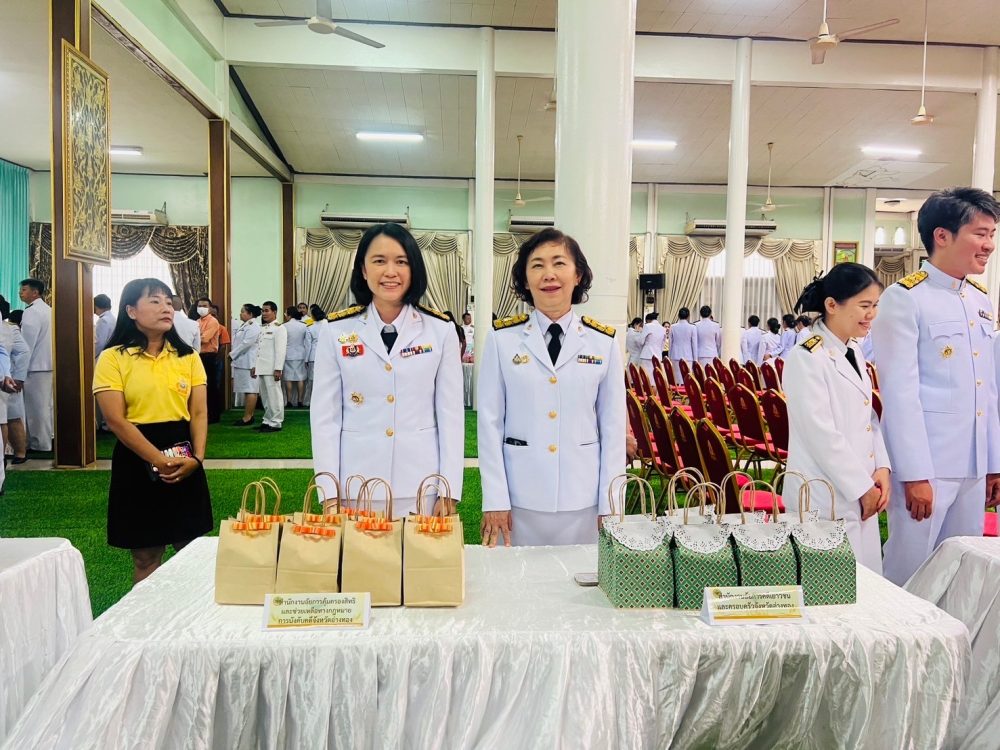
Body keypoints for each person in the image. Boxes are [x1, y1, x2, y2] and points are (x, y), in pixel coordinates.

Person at [872, 187, 1000, 586]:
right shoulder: (905, 298)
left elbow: (988, 390)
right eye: (980, 233)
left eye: (992, 234)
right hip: (929, 466)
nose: (989, 245)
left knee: (962, 575)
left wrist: (993, 464)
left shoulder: (980, 301)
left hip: (973, 464)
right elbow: (900, 394)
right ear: (942, 236)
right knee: (910, 572)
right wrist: (914, 474)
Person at [478, 227, 625, 546]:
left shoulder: (603, 343)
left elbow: (613, 429)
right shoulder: (502, 340)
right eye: (537, 265)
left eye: (559, 263)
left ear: (577, 275)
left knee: (585, 576)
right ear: (525, 280)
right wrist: (495, 499)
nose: (549, 274)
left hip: (583, 498)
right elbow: (489, 424)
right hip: (519, 497)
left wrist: (611, 504)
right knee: (516, 576)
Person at [311, 222, 464, 518]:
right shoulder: (335, 331)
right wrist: (328, 493)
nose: (390, 272)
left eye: (401, 262)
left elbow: (451, 417)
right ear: (363, 269)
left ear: (414, 269)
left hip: (421, 484)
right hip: (355, 485)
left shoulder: (440, 330)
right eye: (379, 261)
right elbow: (325, 418)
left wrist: (449, 489)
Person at [93, 277, 212, 585]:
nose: (166, 308)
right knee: (146, 555)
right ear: (131, 311)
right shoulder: (112, 358)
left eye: (168, 302)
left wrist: (197, 459)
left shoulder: (188, 356)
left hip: (184, 454)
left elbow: (199, 413)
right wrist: (158, 459)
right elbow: (116, 420)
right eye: (155, 301)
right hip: (136, 455)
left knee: (191, 549)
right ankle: (146, 615)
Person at [782, 264, 891, 573]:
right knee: (829, 586)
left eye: (875, 305)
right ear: (832, 305)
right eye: (864, 305)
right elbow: (821, 433)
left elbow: (868, 416)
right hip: (823, 491)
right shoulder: (807, 357)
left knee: (865, 582)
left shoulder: (853, 350)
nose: (871, 314)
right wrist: (861, 487)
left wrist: (882, 467)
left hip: (861, 484)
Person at [19, 279, 53, 452]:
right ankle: (47, 439)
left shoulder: (31, 312)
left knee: (36, 408)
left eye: (24, 290)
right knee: (46, 405)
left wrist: (19, 370)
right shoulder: (48, 309)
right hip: (47, 364)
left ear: (35, 292)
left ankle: (40, 443)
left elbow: (26, 345)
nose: (21, 293)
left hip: (35, 366)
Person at [0, 298, 29, 465]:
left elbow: (23, 352)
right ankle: (18, 454)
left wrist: (18, 377)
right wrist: (18, 377)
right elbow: (23, 352)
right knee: (10, 418)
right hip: (10, 378)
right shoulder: (10, 328)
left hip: (6, 379)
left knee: (7, 419)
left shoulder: (9, 329)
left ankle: (12, 455)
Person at [253, 301, 287, 432]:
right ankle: (267, 420)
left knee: (274, 396)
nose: (264, 313)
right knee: (266, 397)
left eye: (267, 310)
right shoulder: (264, 328)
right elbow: (258, 350)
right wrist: (255, 366)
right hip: (262, 367)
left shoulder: (279, 328)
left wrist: (278, 368)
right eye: (263, 311)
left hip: (272, 368)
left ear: (274, 312)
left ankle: (276, 422)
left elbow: (280, 351)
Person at [229, 304, 261, 426]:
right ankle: (248, 415)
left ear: (250, 314)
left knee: (251, 389)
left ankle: (248, 417)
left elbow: (246, 344)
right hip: (242, 362)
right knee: (247, 390)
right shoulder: (245, 325)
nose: (240, 314)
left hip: (249, 363)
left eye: (243, 312)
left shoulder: (253, 326)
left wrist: (232, 354)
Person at [193, 297, 222, 423]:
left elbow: (204, 339)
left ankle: (214, 415)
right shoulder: (197, 321)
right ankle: (205, 413)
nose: (202, 308)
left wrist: (196, 337)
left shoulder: (213, 321)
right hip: (199, 356)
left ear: (210, 308)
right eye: (199, 305)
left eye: (205, 306)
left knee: (211, 386)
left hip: (209, 356)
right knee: (202, 385)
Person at [94, 294, 117, 431]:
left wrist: (90, 356)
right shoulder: (112, 318)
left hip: (102, 357)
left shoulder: (103, 321)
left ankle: (103, 423)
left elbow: (99, 343)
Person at [282, 306, 308, 408]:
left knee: (288, 378)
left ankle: (289, 401)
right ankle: (300, 401)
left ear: (289, 314)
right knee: (300, 378)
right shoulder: (304, 326)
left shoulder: (284, 326)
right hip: (301, 354)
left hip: (288, 354)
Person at [304, 303, 326, 407]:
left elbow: (308, 345)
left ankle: (309, 401)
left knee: (311, 380)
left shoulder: (310, 327)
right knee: (324, 379)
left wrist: (306, 359)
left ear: (313, 316)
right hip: (326, 355)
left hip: (313, 355)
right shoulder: (327, 325)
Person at [667, 307, 698, 379]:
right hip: (688, 356)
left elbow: (670, 343)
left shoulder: (673, 326)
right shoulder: (692, 327)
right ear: (688, 316)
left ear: (678, 316)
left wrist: (669, 357)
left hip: (675, 355)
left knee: (677, 378)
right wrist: (695, 359)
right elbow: (694, 344)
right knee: (687, 378)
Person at [639, 311, 667, 377]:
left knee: (646, 376)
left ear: (648, 320)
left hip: (647, 354)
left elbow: (641, 341)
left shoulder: (647, 326)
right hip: (658, 355)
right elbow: (663, 343)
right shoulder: (663, 328)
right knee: (655, 376)